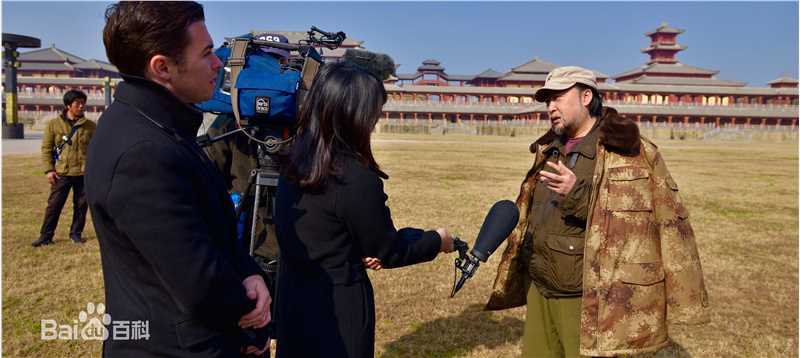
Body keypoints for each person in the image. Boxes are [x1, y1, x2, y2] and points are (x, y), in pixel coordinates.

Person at [85, 2, 271, 357]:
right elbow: (201, 283)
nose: (218, 64)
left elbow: (208, 228)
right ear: (163, 68)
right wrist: (248, 310)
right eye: (206, 54)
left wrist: (248, 271)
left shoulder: (157, 124)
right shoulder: (142, 153)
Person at [485, 66, 709, 357]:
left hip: (588, 299)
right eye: (547, 100)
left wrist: (575, 193)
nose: (550, 107)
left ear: (586, 96)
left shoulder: (626, 151)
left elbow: (652, 222)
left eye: (558, 97)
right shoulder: (550, 147)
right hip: (539, 287)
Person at [273, 62, 455, 358]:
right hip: (338, 308)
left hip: (293, 301)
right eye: (372, 114)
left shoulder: (291, 160)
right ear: (353, 116)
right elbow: (387, 249)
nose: (373, 123)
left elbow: (323, 231)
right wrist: (437, 239)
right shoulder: (354, 177)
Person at [33, 90, 96, 247]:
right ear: (68, 105)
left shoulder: (91, 126)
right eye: (77, 104)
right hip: (61, 173)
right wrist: (49, 170)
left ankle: (76, 234)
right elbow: (46, 148)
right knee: (54, 205)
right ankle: (45, 236)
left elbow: (97, 149)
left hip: (83, 172)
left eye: (83, 103)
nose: (81, 106)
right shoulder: (53, 125)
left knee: (81, 205)